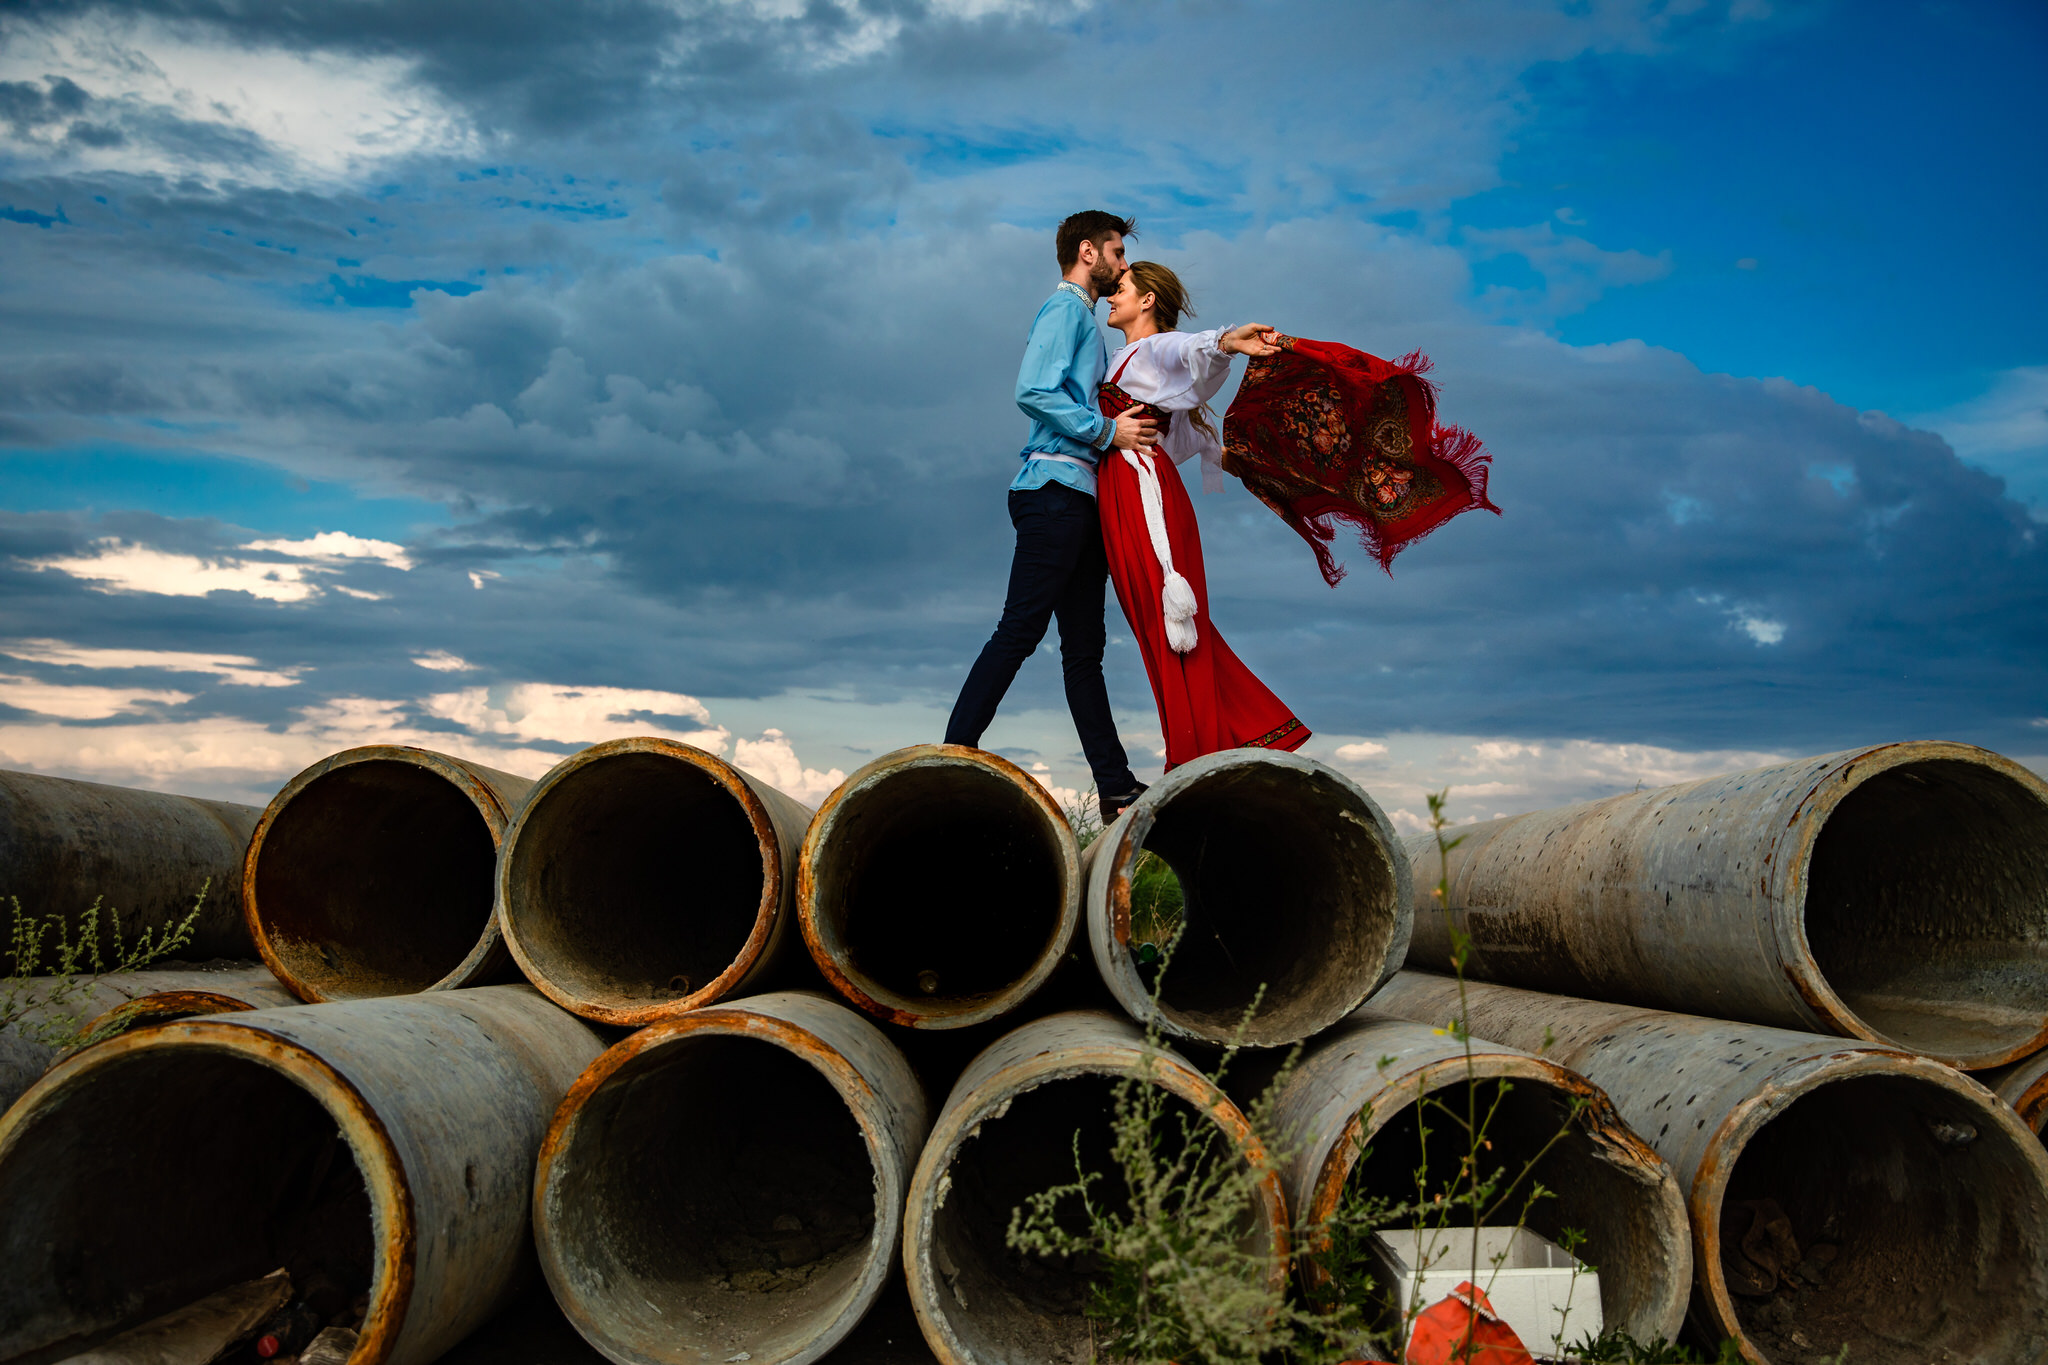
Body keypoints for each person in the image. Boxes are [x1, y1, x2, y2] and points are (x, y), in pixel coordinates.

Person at [944, 211, 1160, 823]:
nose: (1123, 263)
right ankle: (954, 753)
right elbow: (1032, 391)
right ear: (1088, 252)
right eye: (1117, 252)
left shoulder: (1085, 322)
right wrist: (1107, 431)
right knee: (1021, 629)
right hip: (1053, 491)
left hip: (1078, 497)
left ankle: (1115, 787)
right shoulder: (1065, 310)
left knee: (1084, 648)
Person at [1094, 261, 1310, 769]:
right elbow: (1205, 444)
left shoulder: (1151, 351)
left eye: (1119, 290)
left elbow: (1187, 348)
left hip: (1142, 496)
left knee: (1168, 619)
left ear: (1147, 300)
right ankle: (1227, 737)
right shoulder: (1137, 366)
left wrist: (1228, 341)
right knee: (1161, 621)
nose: (1110, 297)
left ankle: (1194, 752)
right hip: (1136, 493)